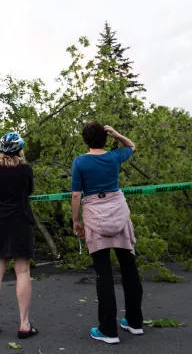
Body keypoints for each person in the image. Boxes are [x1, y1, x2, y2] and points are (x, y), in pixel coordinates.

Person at [71, 122, 143, 344]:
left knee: (104, 275)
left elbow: (76, 195)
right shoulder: (114, 157)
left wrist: (76, 220)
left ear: (85, 140)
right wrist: (117, 133)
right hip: (119, 214)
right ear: (105, 138)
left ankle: (108, 330)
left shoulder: (80, 161)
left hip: (95, 215)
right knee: (129, 269)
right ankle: (134, 322)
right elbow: (131, 146)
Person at [0, 133, 38, 340]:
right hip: (21, 221)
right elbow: (29, 191)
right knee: (22, 270)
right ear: (19, 150)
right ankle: (24, 324)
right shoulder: (25, 170)